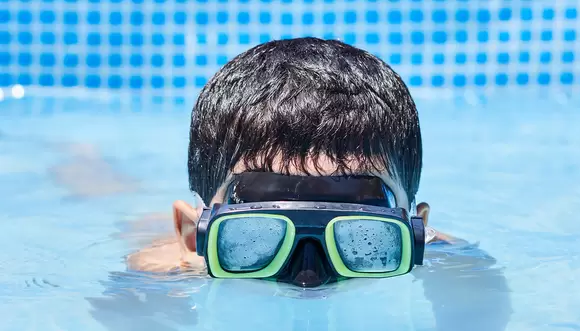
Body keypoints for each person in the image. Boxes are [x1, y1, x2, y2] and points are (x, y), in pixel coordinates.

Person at [128, 37, 456, 286]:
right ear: (191, 240)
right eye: (255, 234)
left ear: (418, 237)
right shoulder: (149, 288)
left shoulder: (462, 276)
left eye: (360, 236)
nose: (308, 281)